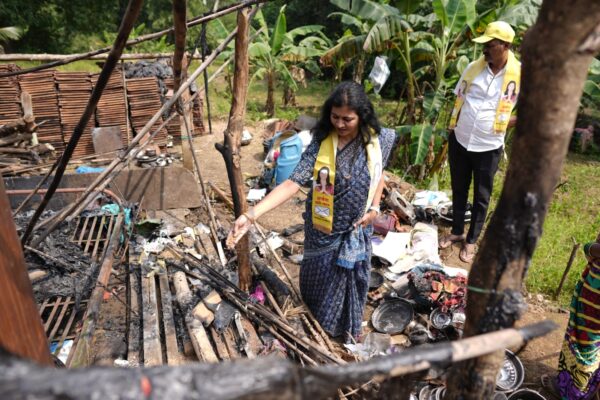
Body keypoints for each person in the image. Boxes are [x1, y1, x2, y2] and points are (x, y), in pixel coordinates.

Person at [227, 81, 396, 339]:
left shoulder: (378, 140)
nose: (340, 124)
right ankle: (318, 328)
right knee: (318, 284)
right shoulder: (322, 141)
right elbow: (293, 182)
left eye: (347, 119)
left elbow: (379, 172)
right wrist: (251, 215)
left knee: (350, 283)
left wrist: (374, 206)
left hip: (356, 229)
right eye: (335, 117)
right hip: (322, 230)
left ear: (362, 116)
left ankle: (343, 331)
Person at [440, 21, 521, 262]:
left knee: (481, 196)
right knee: (459, 188)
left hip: (488, 147)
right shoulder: (473, 68)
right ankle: (456, 231)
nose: (484, 49)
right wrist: (452, 128)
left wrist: (505, 123)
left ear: (505, 46)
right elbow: (459, 98)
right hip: (461, 139)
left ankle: (471, 240)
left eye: (490, 44)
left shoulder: (520, 75)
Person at [542, 233, 600, 399]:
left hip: (595, 301)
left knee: (585, 344)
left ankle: (573, 392)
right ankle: (588, 387)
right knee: (592, 343)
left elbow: (594, 249)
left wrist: (590, 248)